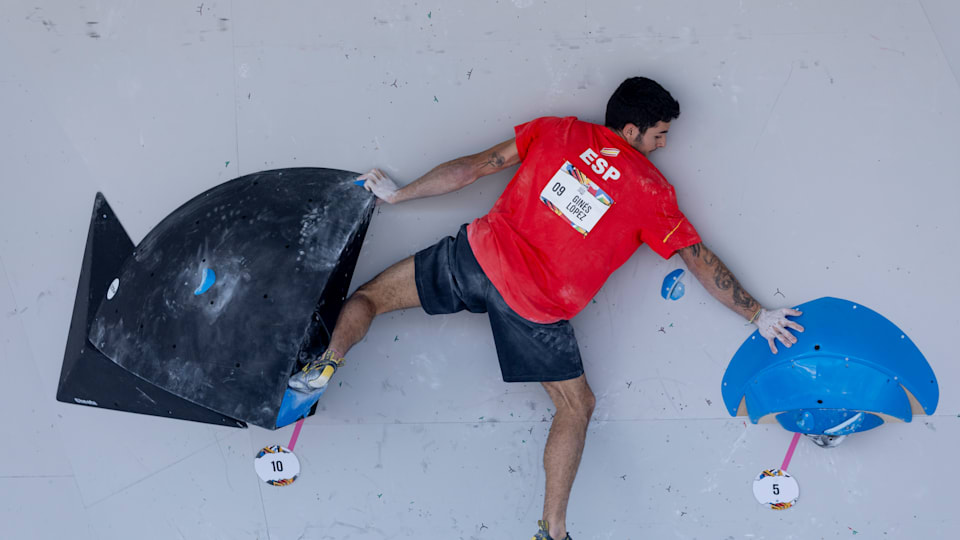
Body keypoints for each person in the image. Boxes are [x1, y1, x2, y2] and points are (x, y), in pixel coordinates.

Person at [288, 77, 804, 539]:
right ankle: (552, 531)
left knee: (369, 298)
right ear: (631, 130)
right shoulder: (651, 191)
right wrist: (757, 314)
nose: (665, 144)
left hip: (474, 258)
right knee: (576, 409)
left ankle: (324, 365)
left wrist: (400, 196)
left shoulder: (560, 132)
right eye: (660, 134)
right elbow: (699, 260)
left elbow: (475, 167)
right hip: (534, 309)